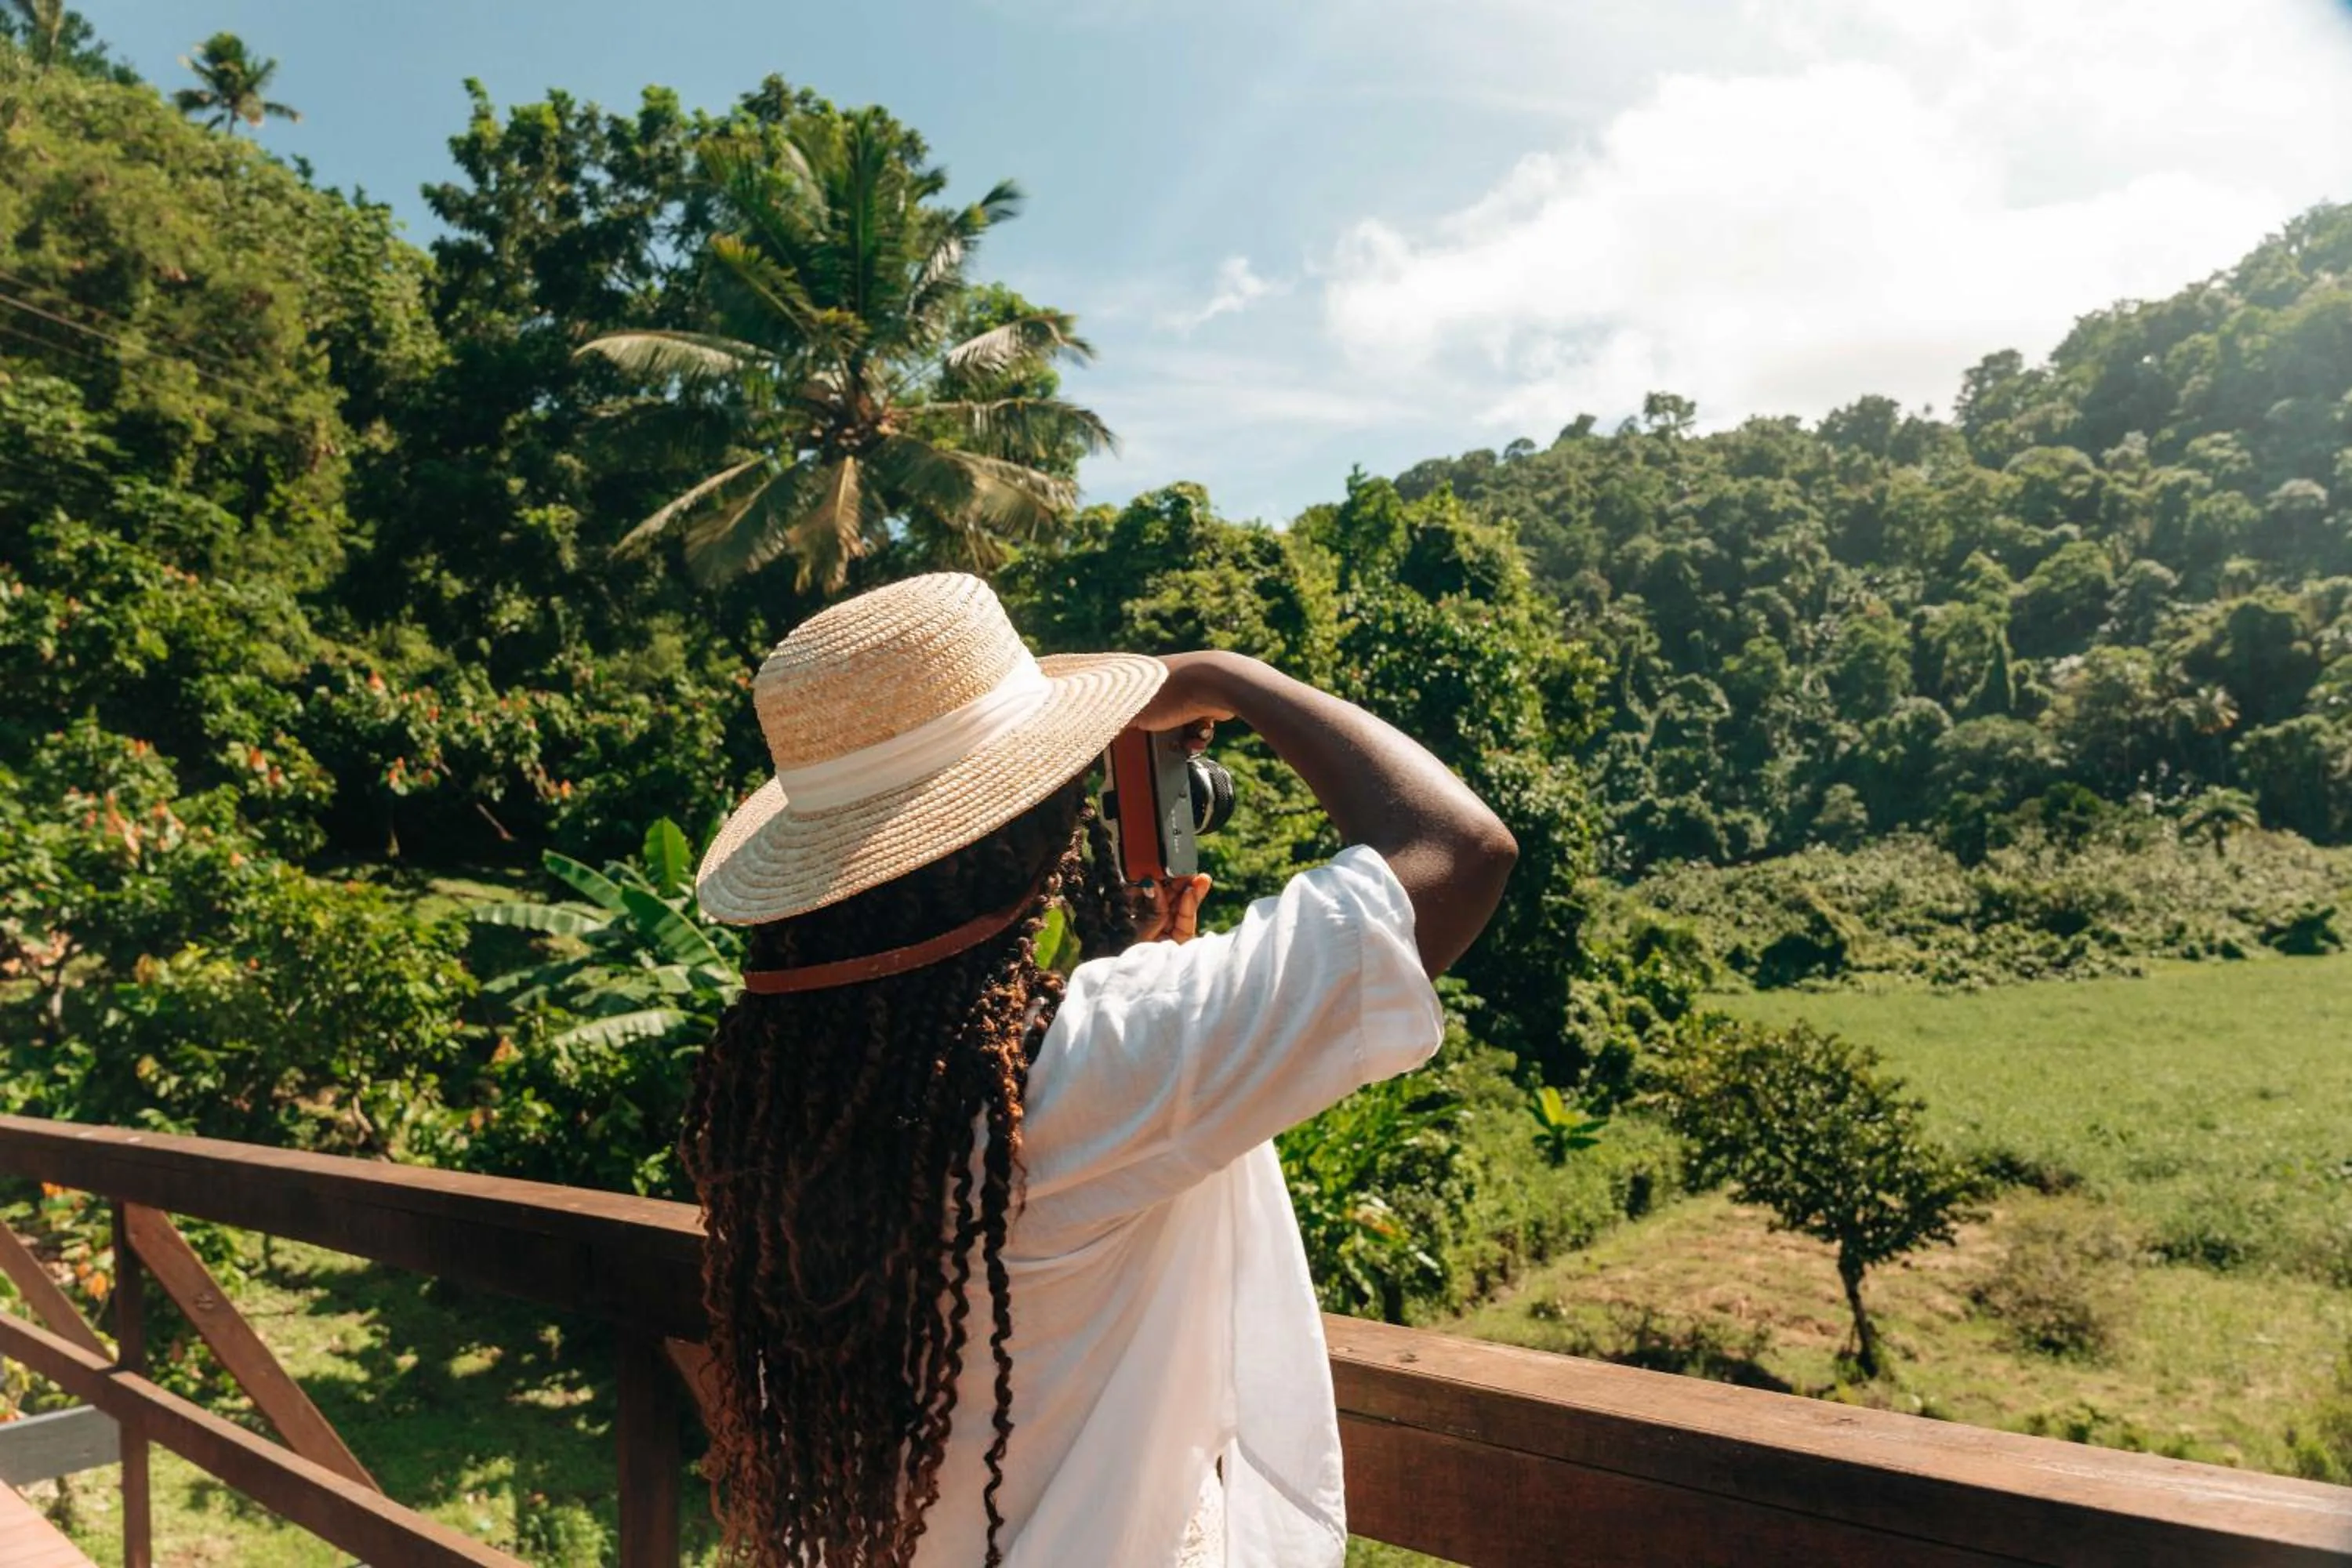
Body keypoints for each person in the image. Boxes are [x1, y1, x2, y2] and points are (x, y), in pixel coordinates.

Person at [681, 572, 1515, 1567]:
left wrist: (1137, 966)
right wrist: (1225, 674)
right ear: (1034, 830)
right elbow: (1459, 847)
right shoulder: (1100, 1057)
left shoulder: (780, 1086)